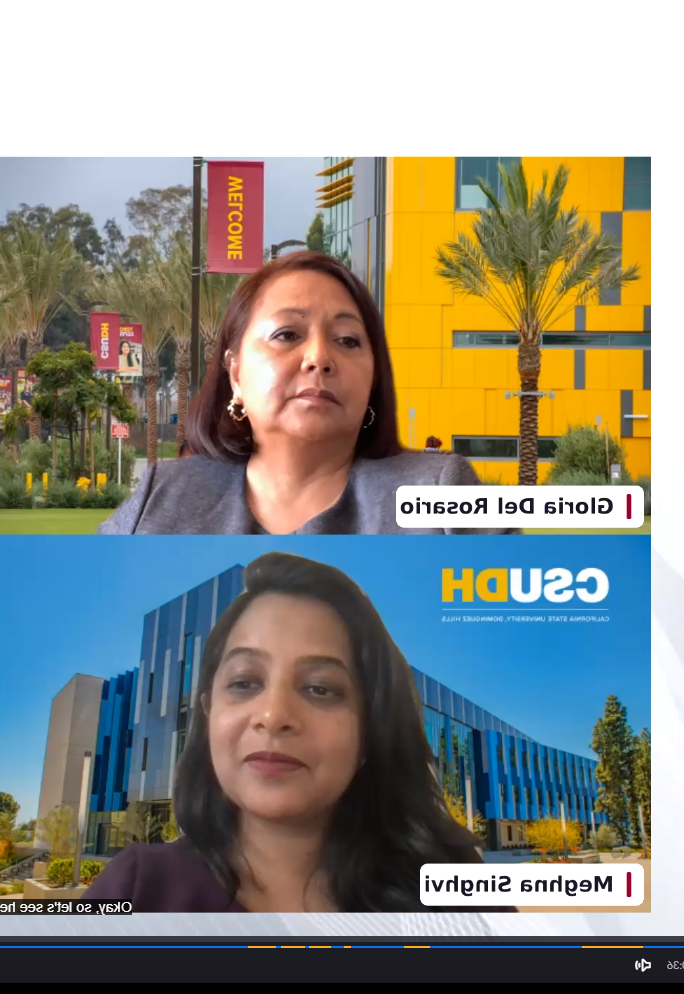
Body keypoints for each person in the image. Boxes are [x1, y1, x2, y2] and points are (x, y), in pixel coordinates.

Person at [83, 552, 509, 913]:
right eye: (245, 682)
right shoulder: (138, 891)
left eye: (320, 688)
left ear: (369, 730)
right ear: (209, 713)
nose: (273, 715)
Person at [99, 253, 512, 535]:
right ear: (236, 373)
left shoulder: (442, 496)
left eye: (348, 340)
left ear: (373, 380)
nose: (319, 357)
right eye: (287, 334)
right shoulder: (161, 498)